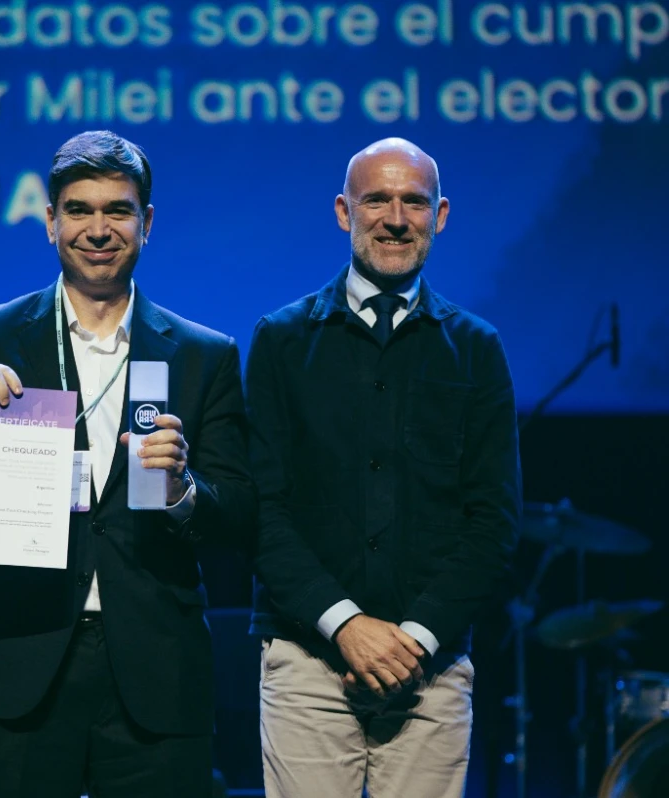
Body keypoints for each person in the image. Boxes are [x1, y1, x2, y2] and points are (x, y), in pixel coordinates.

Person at [0, 130, 256, 797]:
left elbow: (240, 516)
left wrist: (183, 490)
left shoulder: (204, 355)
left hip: (154, 675)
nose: (99, 229)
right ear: (50, 222)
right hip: (12, 664)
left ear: (146, 223)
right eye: (79, 210)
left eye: (118, 211)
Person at [246, 138, 520, 797]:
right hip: (309, 659)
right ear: (345, 211)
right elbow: (261, 509)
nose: (395, 217)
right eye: (377, 199)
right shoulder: (281, 341)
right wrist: (346, 624)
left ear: (441, 215)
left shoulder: (477, 349)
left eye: (414, 202)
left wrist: (415, 640)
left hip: (433, 664)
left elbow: (495, 521)